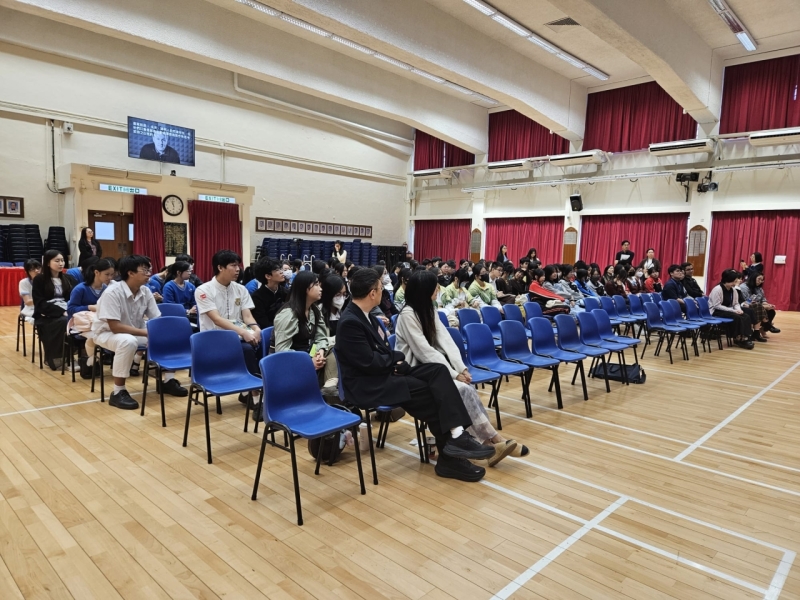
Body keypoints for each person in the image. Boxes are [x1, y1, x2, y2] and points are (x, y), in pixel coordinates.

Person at [335, 267, 495, 482]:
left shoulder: (366, 317)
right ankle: (451, 455)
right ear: (372, 293)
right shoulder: (350, 322)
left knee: (438, 372)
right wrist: (395, 359)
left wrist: (394, 361)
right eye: (381, 288)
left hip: (385, 373)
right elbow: (369, 362)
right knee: (432, 393)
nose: (383, 291)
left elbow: (381, 355)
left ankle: (456, 438)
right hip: (367, 385)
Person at [396, 270, 526, 466]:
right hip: (418, 373)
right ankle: (493, 441)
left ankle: (489, 444)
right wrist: (454, 374)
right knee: (462, 389)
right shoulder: (407, 315)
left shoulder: (428, 309)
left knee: (466, 388)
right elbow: (424, 352)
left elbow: (446, 340)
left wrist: (461, 369)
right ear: (424, 291)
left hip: (435, 370)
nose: (438, 290)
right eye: (435, 287)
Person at [90, 255, 187, 408]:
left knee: (168, 337)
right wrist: (148, 333)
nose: (149, 273)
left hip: (135, 332)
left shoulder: (145, 291)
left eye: (149, 270)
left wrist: (161, 332)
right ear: (130, 273)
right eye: (145, 270)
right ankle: (118, 392)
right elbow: (115, 327)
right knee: (127, 341)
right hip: (106, 333)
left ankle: (168, 381)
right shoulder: (112, 292)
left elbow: (156, 318)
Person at [195, 250, 263, 410]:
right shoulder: (203, 290)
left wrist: (256, 328)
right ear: (220, 267)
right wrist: (243, 332)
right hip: (213, 340)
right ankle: (256, 399)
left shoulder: (241, 289)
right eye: (233, 265)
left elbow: (247, 316)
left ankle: (249, 391)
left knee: (263, 344)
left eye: (238, 265)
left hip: (238, 337)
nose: (238, 269)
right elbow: (217, 319)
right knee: (247, 350)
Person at [274, 271, 338, 394]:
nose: (321, 289)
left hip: (309, 353)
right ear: (305, 289)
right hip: (292, 361)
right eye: (316, 285)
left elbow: (321, 337)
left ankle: (330, 386)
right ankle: (328, 393)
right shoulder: (288, 314)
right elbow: (281, 351)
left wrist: (320, 352)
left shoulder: (314, 310)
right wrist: (308, 361)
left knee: (334, 347)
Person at [31, 250, 74, 370]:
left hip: (67, 309)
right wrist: (60, 311)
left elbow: (73, 298)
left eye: (62, 260)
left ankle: (81, 357)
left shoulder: (68, 278)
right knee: (64, 322)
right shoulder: (39, 280)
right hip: (47, 314)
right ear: (48, 263)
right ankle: (60, 360)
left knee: (82, 320)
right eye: (57, 261)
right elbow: (40, 303)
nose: (61, 263)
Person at [708, 269, 754, 349]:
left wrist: (739, 310)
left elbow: (736, 303)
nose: (734, 284)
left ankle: (745, 337)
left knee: (745, 316)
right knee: (736, 317)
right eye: (733, 281)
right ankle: (737, 338)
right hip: (716, 311)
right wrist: (734, 310)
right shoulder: (717, 289)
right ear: (727, 280)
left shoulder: (733, 290)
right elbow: (717, 305)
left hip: (728, 310)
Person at [250, 259, 288, 330]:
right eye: (277, 270)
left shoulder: (286, 292)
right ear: (268, 276)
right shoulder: (256, 297)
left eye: (281, 269)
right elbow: (263, 322)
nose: (282, 272)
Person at [740, 272, 779, 339]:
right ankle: (767, 326)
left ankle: (763, 329)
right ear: (753, 278)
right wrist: (763, 306)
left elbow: (763, 300)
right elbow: (747, 301)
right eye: (759, 279)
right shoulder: (744, 287)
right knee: (759, 308)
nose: (760, 281)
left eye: (762, 280)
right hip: (747, 306)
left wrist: (768, 305)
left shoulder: (759, 288)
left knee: (771, 311)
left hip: (758, 306)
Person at [18, 258, 42, 324]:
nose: (37, 271)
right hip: (31, 309)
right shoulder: (24, 282)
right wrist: (43, 300)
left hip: (47, 307)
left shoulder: (46, 281)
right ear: (27, 272)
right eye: (33, 269)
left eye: (38, 268)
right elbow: (28, 302)